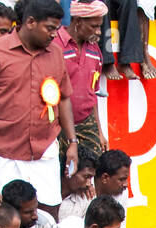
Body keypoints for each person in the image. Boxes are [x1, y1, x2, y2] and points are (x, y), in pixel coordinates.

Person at [0, 0, 76, 210]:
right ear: (30, 22)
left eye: (57, 29)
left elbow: (64, 98)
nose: (54, 34)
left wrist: (72, 141)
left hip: (44, 151)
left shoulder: (55, 53)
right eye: (50, 28)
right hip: (3, 154)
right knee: (4, 216)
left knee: (48, 216)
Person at [52, 5, 106, 156]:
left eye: (100, 26)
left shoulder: (95, 50)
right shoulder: (53, 44)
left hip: (87, 123)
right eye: (94, 26)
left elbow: (92, 94)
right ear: (77, 21)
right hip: (56, 125)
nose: (98, 32)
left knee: (91, 171)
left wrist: (99, 132)